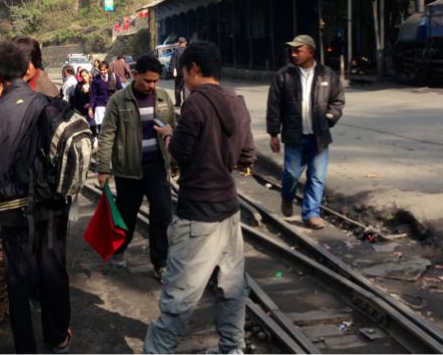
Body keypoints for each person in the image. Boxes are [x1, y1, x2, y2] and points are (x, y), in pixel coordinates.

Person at [145, 41, 257, 354]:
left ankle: (157, 351)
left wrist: (168, 135)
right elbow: (248, 155)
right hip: (229, 211)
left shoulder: (195, 104)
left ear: (194, 68)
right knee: (232, 289)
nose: (183, 78)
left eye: (183, 72)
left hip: (197, 214)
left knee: (179, 296)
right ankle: (232, 349)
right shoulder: (237, 101)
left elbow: (179, 154)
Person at [0, 40, 72, 353]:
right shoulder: (46, 102)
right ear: (24, 69)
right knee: (52, 269)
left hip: (11, 208)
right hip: (49, 204)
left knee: (18, 279)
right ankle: (57, 336)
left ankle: (26, 347)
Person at [96, 54, 177, 279]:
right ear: (134, 75)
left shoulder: (163, 98)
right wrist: (103, 168)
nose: (151, 85)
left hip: (157, 168)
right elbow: (107, 135)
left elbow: (173, 129)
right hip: (128, 170)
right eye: (147, 80)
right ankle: (119, 251)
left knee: (163, 215)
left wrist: (174, 162)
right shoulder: (118, 100)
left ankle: (160, 263)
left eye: (155, 81)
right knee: (126, 216)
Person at [266, 34, 345, 229]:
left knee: (317, 177)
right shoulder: (284, 76)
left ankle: (311, 214)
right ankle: (287, 197)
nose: (293, 54)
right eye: (292, 51)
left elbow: (338, 100)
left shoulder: (327, 75)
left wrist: (330, 117)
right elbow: (274, 106)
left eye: (298, 50)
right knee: (291, 174)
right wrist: (273, 134)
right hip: (294, 136)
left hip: (319, 136)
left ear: (310, 51)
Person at [89, 61, 120, 129]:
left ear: (107, 69)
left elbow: (120, 90)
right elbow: (93, 94)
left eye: (104, 70)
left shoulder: (114, 77)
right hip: (100, 105)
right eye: (101, 70)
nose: (102, 72)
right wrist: (91, 107)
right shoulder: (96, 79)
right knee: (101, 126)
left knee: (112, 125)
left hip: (112, 104)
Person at [70, 68, 95, 138]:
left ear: (89, 74)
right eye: (82, 76)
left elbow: (97, 96)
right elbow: (76, 98)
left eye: (85, 75)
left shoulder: (94, 84)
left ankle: (94, 136)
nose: (84, 78)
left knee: (93, 125)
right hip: (82, 109)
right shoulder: (79, 85)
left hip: (92, 109)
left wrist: (90, 103)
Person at [168, 37, 187, 107]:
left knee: (177, 88)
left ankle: (178, 103)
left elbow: (173, 62)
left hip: (179, 73)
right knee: (185, 88)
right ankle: (186, 103)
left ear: (179, 43)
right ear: (185, 42)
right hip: (187, 73)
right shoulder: (188, 51)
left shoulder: (176, 51)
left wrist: (172, 71)